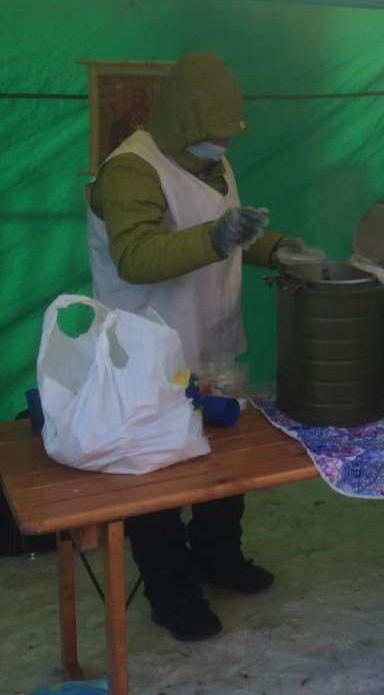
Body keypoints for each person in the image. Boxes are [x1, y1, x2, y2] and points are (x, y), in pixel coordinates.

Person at [88, 53, 308, 642]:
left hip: (211, 339)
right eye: (212, 135)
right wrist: (215, 237)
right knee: (157, 478)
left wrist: (278, 247)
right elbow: (135, 256)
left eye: (227, 136)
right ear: (181, 122)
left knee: (221, 464)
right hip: (147, 354)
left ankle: (218, 557)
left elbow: (230, 233)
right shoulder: (129, 171)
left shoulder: (214, 163)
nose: (221, 146)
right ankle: (170, 590)